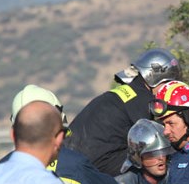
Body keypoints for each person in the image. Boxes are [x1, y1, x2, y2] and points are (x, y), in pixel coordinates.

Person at [65, 48, 181, 176]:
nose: (170, 89)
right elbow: (152, 142)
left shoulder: (125, 93)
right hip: (93, 165)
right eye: (168, 83)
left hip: (70, 159)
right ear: (155, 78)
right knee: (153, 159)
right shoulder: (144, 103)